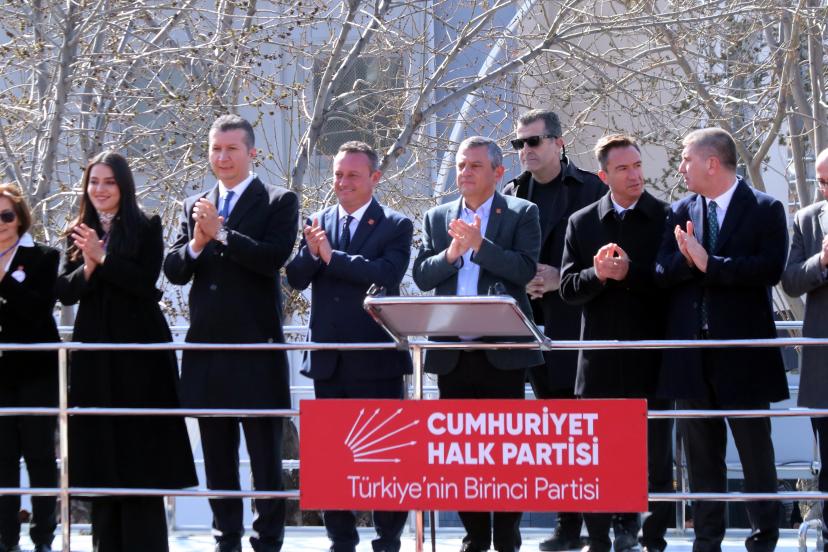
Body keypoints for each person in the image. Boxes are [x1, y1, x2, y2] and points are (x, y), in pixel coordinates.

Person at [164, 114, 299, 552]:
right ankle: (226, 540)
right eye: (216, 149)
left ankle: (268, 542)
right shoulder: (194, 204)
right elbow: (174, 269)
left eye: (231, 149)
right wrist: (198, 241)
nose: (222, 157)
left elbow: (272, 258)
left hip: (257, 350)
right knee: (218, 459)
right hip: (208, 351)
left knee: (265, 460)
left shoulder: (278, 200)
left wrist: (222, 233)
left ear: (251, 152)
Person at [56, 151, 197, 552]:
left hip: (139, 351)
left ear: (124, 186)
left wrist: (103, 258)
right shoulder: (77, 231)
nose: (100, 190)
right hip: (96, 352)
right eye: (93, 181)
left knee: (140, 447)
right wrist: (88, 265)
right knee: (102, 447)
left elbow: (144, 282)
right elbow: (65, 290)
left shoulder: (146, 225)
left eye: (109, 182)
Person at [655, 128, 788, 552]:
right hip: (692, 356)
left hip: (743, 354)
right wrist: (688, 261)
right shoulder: (680, 211)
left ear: (712, 163)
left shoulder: (765, 209)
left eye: (686, 158)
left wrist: (710, 264)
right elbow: (660, 271)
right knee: (701, 455)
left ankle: (763, 538)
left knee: (755, 451)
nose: (681, 167)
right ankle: (706, 540)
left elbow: (768, 269)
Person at [413, 136, 543, 552]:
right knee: (460, 453)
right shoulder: (437, 216)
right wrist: (452, 254)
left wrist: (480, 246)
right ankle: (475, 535)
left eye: (474, 166)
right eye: (460, 165)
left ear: (498, 172)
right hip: (453, 354)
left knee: (505, 453)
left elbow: (523, 270)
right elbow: (422, 275)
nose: (464, 172)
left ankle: (505, 536)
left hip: (502, 354)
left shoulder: (522, 212)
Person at [286, 141, 413, 552]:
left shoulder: (395, 224)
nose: (342, 182)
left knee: (385, 455)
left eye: (352, 175)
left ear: (374, 177)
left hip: (376, 361)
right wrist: (312, 253)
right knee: (331, 458)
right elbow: (296, 277)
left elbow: (387, 273)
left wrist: (331, 256)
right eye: (338, 174)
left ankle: (388, 538)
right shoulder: (318, 220)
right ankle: (340, 539)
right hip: (330, 360)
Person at [559, 135, 672, 552]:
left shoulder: (665, 216)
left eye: (637, 165)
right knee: (600, 455)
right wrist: (598, 275)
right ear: (604, 175)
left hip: (652, 357)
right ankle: (600, 537)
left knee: (655, 457)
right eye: (623, 168)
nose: (634, 175)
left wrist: (630, 274)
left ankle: (651, 537)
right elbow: (568, 289)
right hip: (600, 361)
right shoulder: (582, 222)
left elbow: (673, 280)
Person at [502, 109, 604, 552]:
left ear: (559, 143)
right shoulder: (510, 193)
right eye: (518, 143)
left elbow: (608, 257)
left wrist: (561, 277)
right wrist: (521, 278)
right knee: (550, 429)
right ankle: (563, 526)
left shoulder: (592, 190)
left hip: (577, 324)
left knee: (584, 431)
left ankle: (598, 526)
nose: (525, 150)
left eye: (534, 141)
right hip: (526, 326)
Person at [0, 184, 59, 552]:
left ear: (20, 218)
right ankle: (6, 539)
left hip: (37, 371)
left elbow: (37, 312)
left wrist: (4, 280)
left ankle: (43, 537)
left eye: (6, 215)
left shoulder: (44, 257)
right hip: (1, 376)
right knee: (3, 459)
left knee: (40, 457)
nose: (0, 223)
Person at [781, 147, 828, 547]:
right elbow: (791, 280)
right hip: (824, 366)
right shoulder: (807, 219)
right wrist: (822, 262)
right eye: (823, 182)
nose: (826, 190)